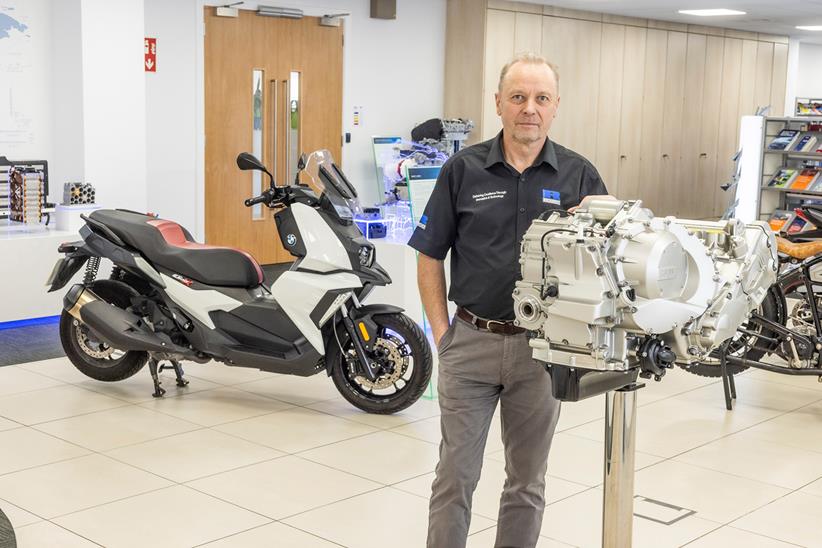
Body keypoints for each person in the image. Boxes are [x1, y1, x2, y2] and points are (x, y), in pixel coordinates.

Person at [408, 52, 610, 548]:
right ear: (498, 103)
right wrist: (442, 336)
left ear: (556, 106)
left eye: (541, 98)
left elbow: (607, 264)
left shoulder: (579, 178)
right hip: (470, 343)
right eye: (518, 97)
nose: (529, 109)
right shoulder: (463, 170)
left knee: (527, 483)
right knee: (454, 476)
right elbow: (430, 255)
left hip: (541, 353)